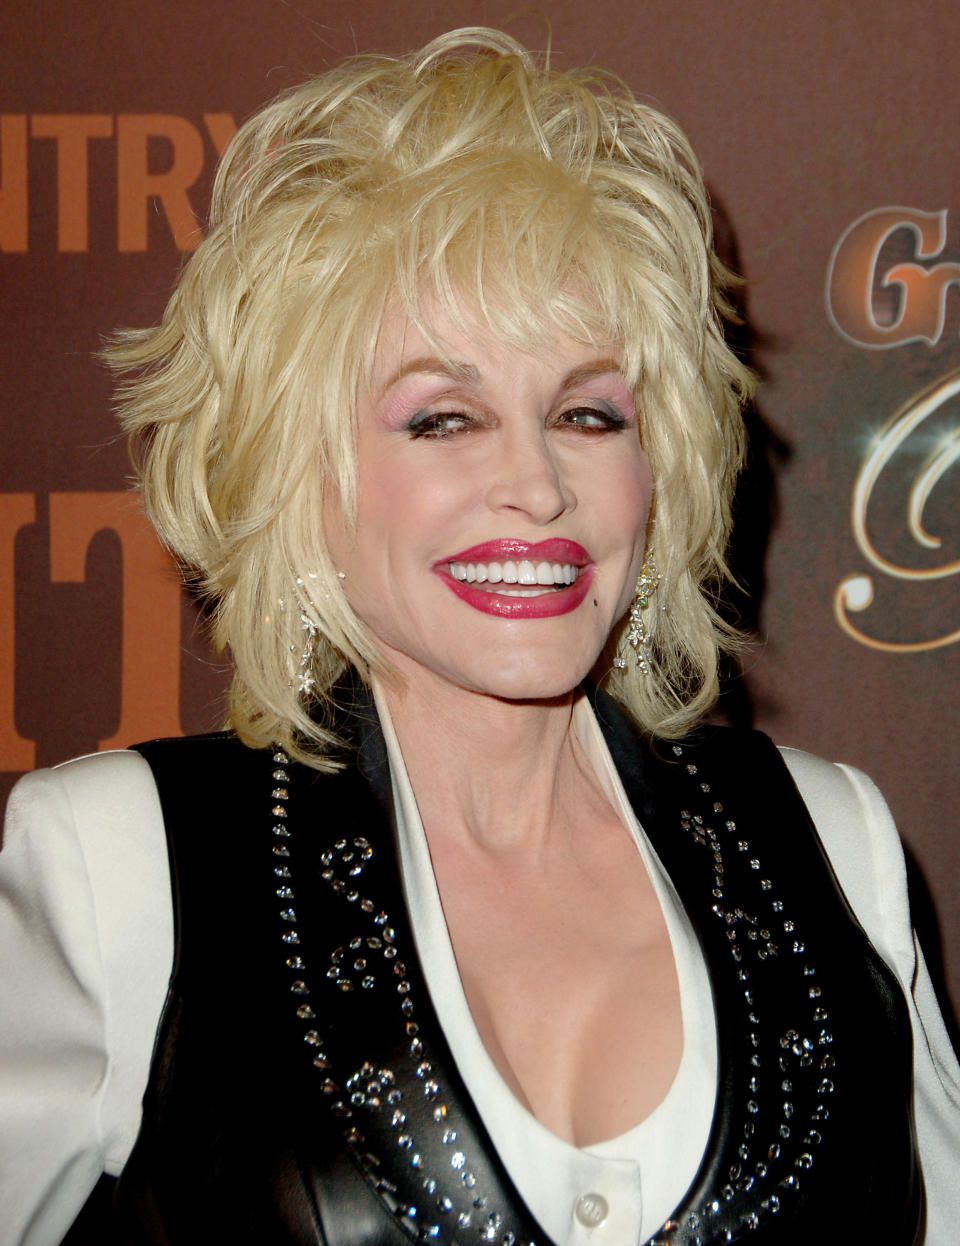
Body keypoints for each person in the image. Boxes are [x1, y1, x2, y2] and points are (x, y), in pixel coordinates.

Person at [1, 27, 958, 1246]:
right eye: (444, 418)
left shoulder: (835, 843)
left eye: (588, 411)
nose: (540, 485)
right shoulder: (118, 869)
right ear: (307, 478)